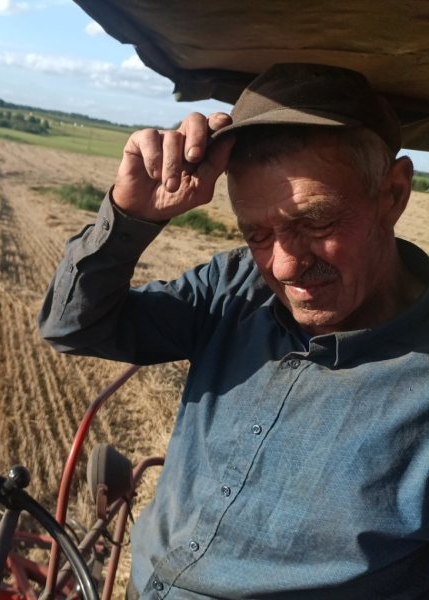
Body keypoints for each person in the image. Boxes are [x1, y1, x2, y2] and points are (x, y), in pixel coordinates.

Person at [38, 63, 429, 599]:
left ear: (393, 193)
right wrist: (130, 217)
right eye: (257, 234)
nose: (285, 266)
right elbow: (73, 328)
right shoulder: (234, 287)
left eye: (317, 222)